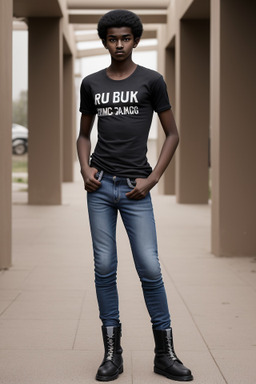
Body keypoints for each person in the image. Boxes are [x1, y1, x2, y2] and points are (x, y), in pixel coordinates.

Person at [77, 9, 193, 382]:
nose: (119, 45)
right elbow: (83, 135)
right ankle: (113, 353)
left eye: (125, 38)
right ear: (104, 41)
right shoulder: (92, 83)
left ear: (136, 40)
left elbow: (173, 134)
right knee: (105, 267)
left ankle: (165, 353)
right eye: (112, 39)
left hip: (135, 188)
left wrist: (153, 178)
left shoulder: (152, 81)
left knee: (149, 267)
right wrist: (84, 168)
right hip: (100, 187)